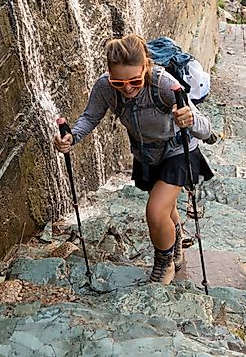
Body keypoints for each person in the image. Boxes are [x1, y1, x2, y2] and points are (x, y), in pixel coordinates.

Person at [53, 34, 214, 285]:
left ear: (146, 67)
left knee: (155, 210)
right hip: (146, 155)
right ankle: (176, 244)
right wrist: (71, 138)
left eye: (135, 81)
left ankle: (164, 264)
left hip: (178, 152)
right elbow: (90, 117)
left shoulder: (164, 85)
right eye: (119, 83)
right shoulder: (105, 87)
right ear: (109, 74)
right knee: (166, 208)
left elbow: (205, 127)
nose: (127, 88)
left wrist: (189, 119)